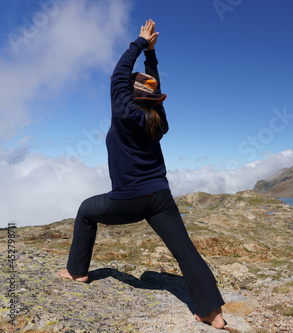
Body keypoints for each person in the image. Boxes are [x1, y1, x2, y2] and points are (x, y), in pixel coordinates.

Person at [58, 19, 225, 330]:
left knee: (85, 211)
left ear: (130, 96)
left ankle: (77, 271)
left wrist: (138, 43)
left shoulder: (124, 112)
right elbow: (153, 90)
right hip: (160, 198)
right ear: (152, 101)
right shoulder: (156, 121)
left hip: (128, 199)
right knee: (185, 250)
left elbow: (118, 75)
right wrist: (151, 56)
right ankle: (212, 313)